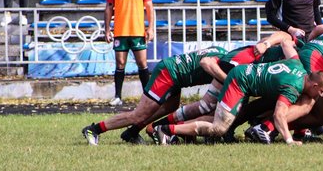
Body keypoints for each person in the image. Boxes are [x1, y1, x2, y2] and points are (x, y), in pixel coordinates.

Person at [154, 40, 323, 146]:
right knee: (219, 127)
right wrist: (289, 140)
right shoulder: (294, 87)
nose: (322, 95)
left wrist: (293, 41)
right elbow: (279, 115)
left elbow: (286, 43)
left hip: (242, 75)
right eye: (322, 91)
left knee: (215, 115)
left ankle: (170, 129)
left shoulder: (298, 64)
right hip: (239, 82)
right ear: (315, 85)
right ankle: (166, 130)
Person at [81, 46, 227, 145]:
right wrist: (227, 80)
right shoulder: (225, 63)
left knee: (170, 107)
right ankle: (94, 129)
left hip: (174, 73)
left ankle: (132, 132)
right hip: (168, 73)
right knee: (138, 115)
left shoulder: (224, 53)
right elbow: (205, 62)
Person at [105, 0, 155, 106]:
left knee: (142, 63)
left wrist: (150, 28)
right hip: (120, 31)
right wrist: (107, 29)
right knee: (120, 64)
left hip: (137, 31)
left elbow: (150, 8)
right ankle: (118, 96)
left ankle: (148, 98)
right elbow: (108, 9)